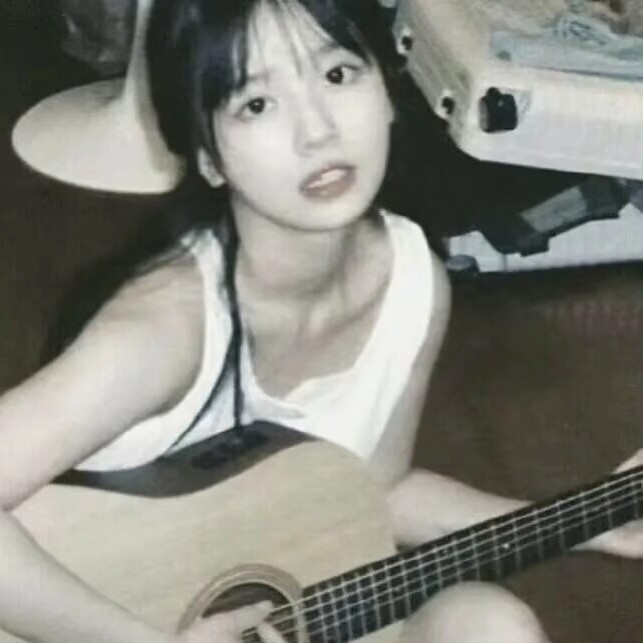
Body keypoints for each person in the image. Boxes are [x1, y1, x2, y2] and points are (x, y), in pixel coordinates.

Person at [0, 1, 642, 642]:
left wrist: (588, 525)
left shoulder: (411, 281)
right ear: (207, 157)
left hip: (296, 616)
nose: (316, 131)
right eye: (256, 104)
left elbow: (379, 490)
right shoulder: (164, 329)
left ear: (388, 93)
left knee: (487, 624)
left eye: (337, 74)